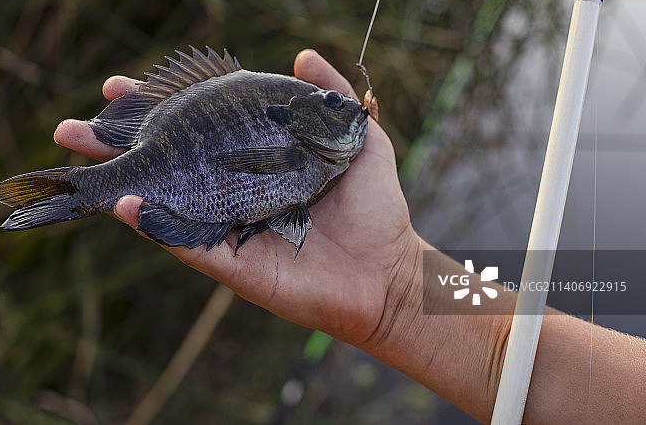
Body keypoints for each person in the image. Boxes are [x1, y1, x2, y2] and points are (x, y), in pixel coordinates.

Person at [53, 49, 646, 424]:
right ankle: (82, 190)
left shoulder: (305, 146)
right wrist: (402, 288)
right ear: (301, 121)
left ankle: (78, 191)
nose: (352, 116)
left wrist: (402, 293)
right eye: (336, 111)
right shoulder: (291, 139)